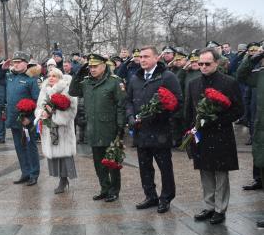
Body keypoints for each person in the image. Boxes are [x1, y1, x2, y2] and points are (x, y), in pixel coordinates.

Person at [186, 48, 243, 224]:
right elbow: (189, 110)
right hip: (201, 135)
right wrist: (189, 130)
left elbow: (238, 110)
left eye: (207, 63)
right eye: (200, 63)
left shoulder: (229, 82)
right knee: (205, 170)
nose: (203, 66)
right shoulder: (193, 83)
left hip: (221, 133)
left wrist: (216, 119)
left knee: (220, 172)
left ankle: (220, 208)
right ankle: (209, 206)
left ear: (216, 63)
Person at [126, 46, 182, 213]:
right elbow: (128, 101)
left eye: (146, 56)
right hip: (141, 131)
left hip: (160, 132)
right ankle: (150, 196)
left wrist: (161, 114)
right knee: (144, 167)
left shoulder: (167, 77)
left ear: (157, 58)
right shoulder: (136, 78)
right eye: (140, 56)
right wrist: (130, 117)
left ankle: (166, 198)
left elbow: (178, 102)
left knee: (165, 168)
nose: (142, 59)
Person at [69, 53, 126, 202]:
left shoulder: (114, 82)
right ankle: (104, 188)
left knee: (112, 161)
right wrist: (78, 74)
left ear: (104, 66)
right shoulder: (86, 82)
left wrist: (120, 126)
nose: (92, 69)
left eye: (95, 66)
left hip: (110, 128)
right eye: (90, 67)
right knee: (98, 163)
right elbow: (73, 91)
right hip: (93, 128)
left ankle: (114, 190)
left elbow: (121, 105)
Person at [0, 51, 41, 186]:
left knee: (30, 147)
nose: (15, 65)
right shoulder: (10, 76)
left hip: (26, 120)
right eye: (14, 62)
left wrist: (30, 117)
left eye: (18, 62)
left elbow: (37, 100)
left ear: (26, 63)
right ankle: (25, 172)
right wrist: (2, 68)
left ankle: (34, 174)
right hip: (13, 118)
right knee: (19, 147)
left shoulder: (31, 79)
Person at [35, 68, 78, 194]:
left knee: (64, 155)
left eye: (54, 76)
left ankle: (64, 180)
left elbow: (72, 110)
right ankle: (60, 178)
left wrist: (54, 113)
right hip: (49, 128)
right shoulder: (45, 89)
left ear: (60, 77)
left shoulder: (67, 88)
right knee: (54, 156)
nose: (51, 78)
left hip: (63, 129)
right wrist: (42, 113)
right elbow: (39, 106)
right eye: (49, 75)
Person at [237, 44, 264, 191]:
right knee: (259, 154)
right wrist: (254, 58)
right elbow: (241, 74)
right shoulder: (259, 74)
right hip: (260, 124)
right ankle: (258, 179)